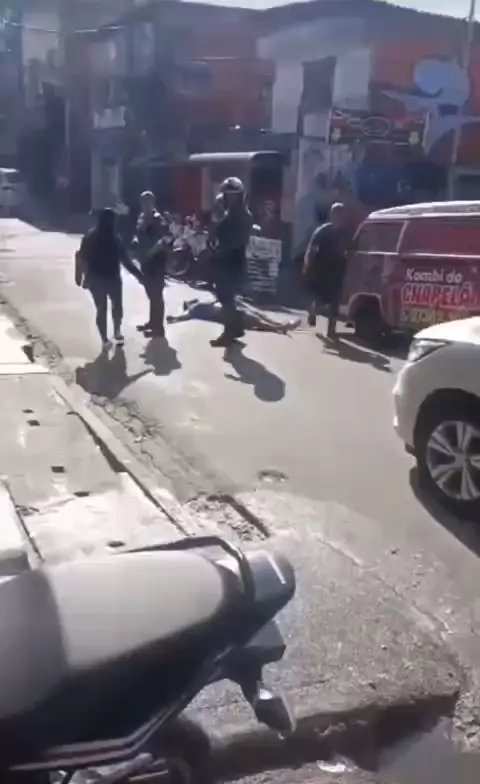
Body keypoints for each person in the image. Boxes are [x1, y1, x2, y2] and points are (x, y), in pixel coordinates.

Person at [75, 208, 143, 348]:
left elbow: (125, 260)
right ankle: (107, 337)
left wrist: (138, 275)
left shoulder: (112, 238)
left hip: (109, 278)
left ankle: (113, 334)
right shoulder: (94, 237)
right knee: (106, 309)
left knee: (111, 308)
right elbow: (81, 257)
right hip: (99, 278)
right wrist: (79, 275)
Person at [210, 177, 253, 347]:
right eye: (227, 195)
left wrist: (221, 250)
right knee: (227, 297)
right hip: (228, 259)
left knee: (225, 297)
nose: (229, 198)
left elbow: (237, 240)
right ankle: (236, 327)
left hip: (231, 260)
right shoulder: (229, 214)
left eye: (232, 195)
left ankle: (229, 332)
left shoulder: (241, 216)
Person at [303, 202, 350, 340]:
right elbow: (312, 250)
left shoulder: (344, 233)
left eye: (342, 215)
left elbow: (348, 250)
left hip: (337, 270)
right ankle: (313, 311)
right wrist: (308, 265)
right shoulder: (323, 231)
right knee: (321, 300)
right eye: (337, 215)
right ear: (332, 215)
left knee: (335, 301)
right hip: (322, 269)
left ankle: (331, 330)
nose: (340, 219)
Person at [132, 191, 169, 337]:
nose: (145, 205)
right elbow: (138, 233)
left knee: (156, 294)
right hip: (144, 260)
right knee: (150, 293)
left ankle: (158, 328)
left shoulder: (157, 219)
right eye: (143, 202)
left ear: (153, 203)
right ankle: (152, 322)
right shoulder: (141, 217)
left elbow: (164, 238)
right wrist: (135, 240)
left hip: (155, 262)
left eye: (148, 202)